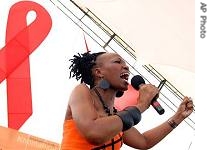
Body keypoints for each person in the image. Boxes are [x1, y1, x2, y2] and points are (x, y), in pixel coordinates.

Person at [61, 51, 194, 150]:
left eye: (125, 63)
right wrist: (141, 105)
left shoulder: (116, 118)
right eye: (117, 62)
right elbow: (94, 133)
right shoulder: (82, 91)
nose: (126, 67)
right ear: (98, 72)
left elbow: (144, 141)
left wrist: (178, 117)